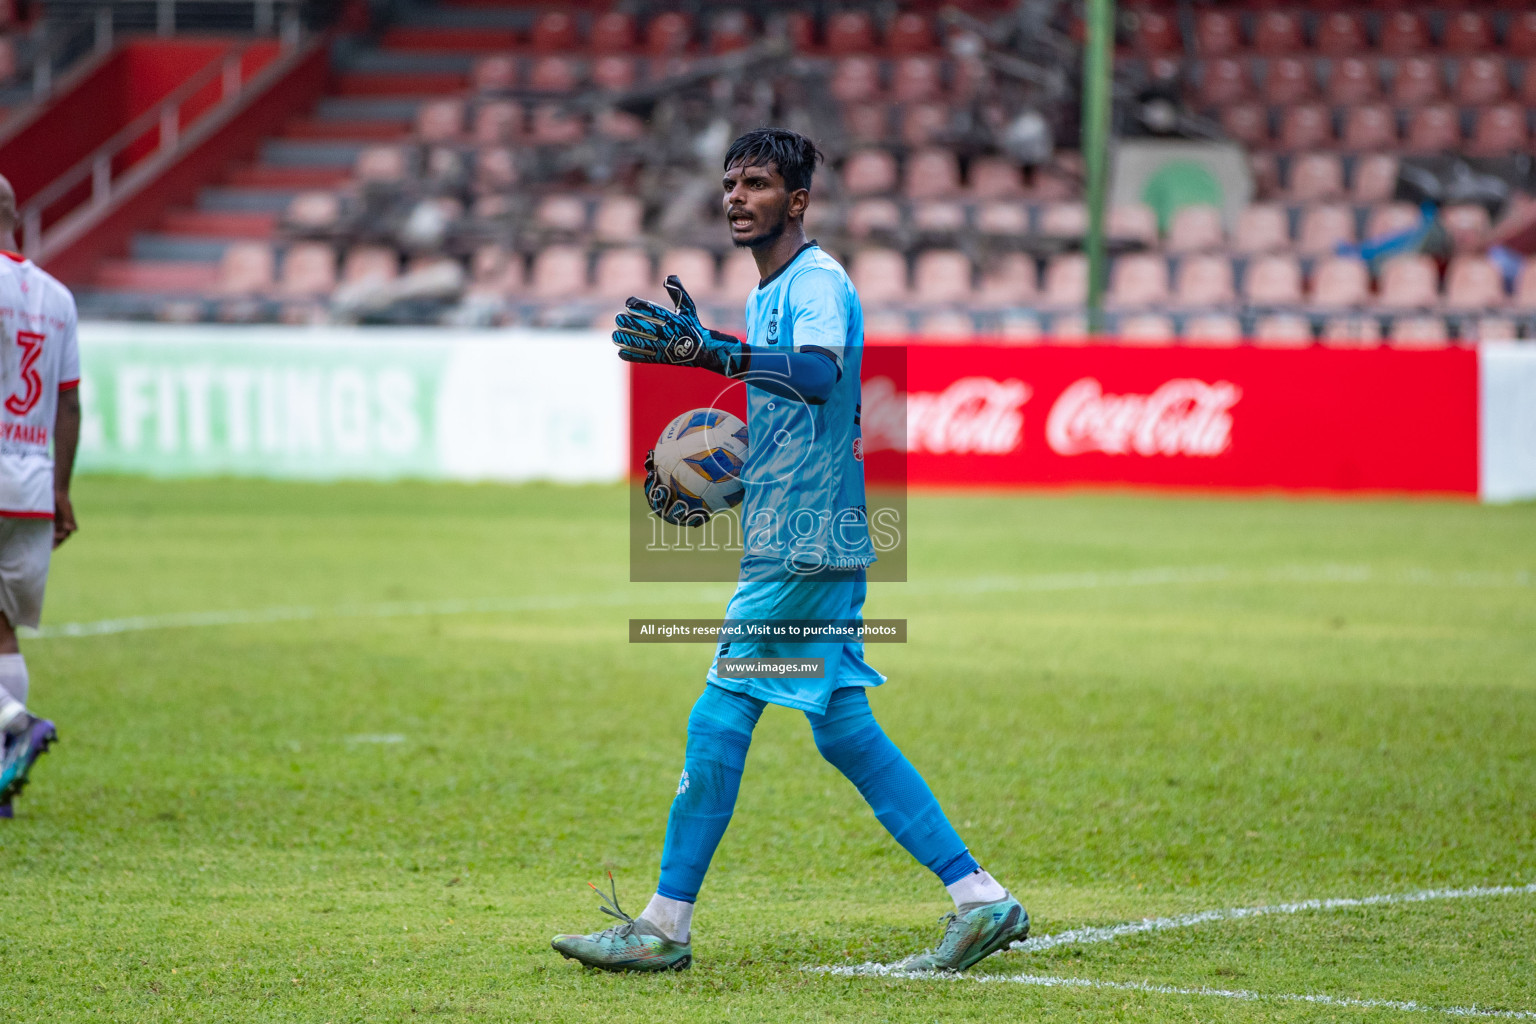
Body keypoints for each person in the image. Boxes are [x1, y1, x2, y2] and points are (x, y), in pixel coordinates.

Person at [551, 129, 1028, 973]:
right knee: (843, 730)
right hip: (800, 536)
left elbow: (813, 375)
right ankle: (981, 898)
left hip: (804, 549)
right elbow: (792, 406)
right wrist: (720, 463)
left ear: (797, 201)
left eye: (759, 184)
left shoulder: (814, 284)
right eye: (730, 183)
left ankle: (664, 927)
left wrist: (715, 357)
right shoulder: (771, 289)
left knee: (718, 714)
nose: (737, 196)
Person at [0, 173, 79, 817]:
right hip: (30, 480)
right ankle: (2, 778)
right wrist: (61, 489)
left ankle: (14, 727)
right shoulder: (56, 296)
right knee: (1, 630)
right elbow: (70, 399)